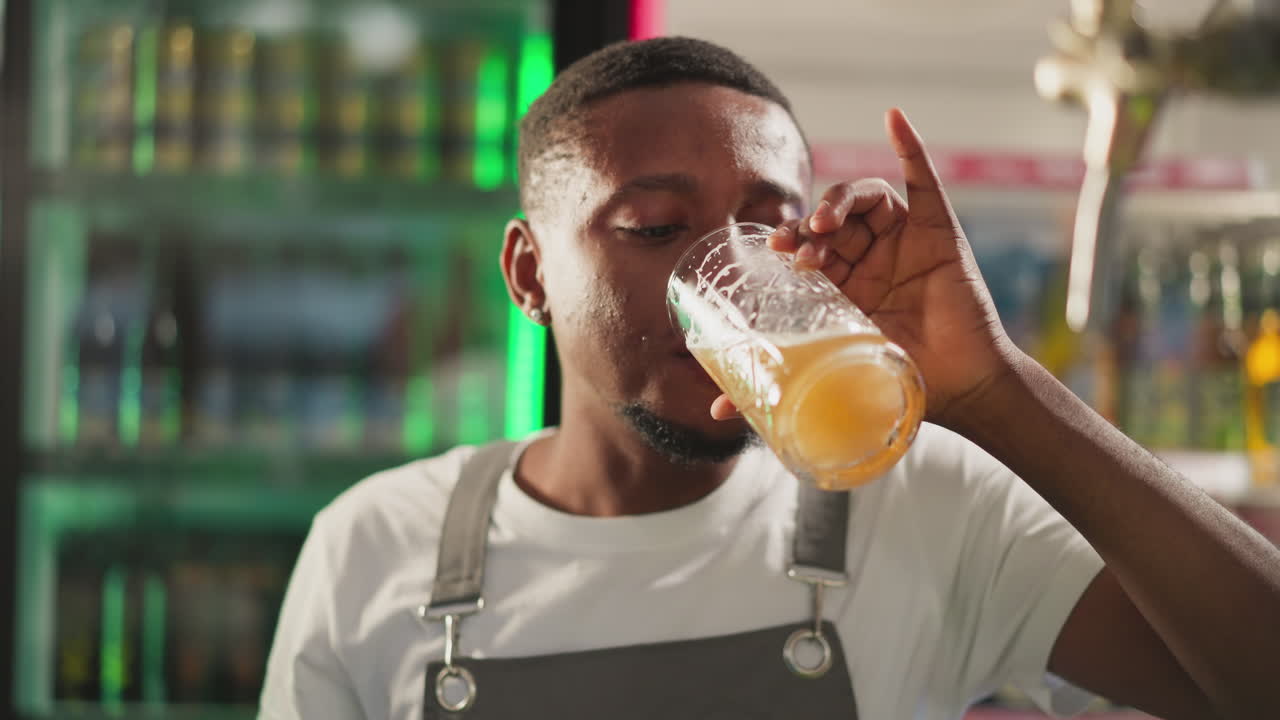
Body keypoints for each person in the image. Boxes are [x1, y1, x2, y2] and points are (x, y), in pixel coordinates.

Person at [260, 37, 1280, 720]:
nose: (733, 277)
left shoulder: (919, 505)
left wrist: (995, 391)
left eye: (765, 227)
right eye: (656, 229)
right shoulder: (376, 546)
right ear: (531, 274)